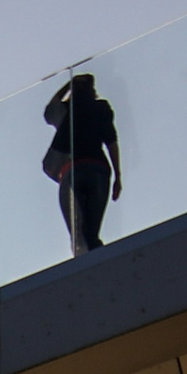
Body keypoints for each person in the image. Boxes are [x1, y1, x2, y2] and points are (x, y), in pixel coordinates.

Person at [43, 73, 122, 255]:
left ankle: (88, 268)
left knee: (78, 237)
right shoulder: (100, 107)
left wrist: (68, 86)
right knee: (91, 234)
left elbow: (49, 110)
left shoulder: (66, 111)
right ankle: (99, 264)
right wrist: (118, 175)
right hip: (98, 169)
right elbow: (111, 141)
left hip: (71, 171)